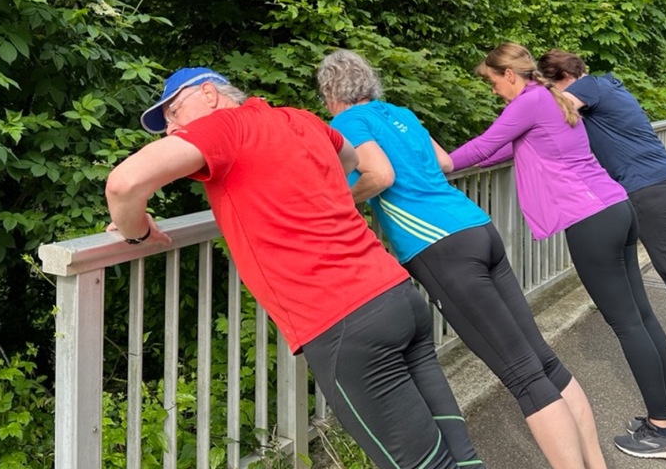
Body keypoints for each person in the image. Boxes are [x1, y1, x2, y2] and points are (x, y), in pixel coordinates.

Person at [104, 67, 485, 469]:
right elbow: (349, 157)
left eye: (173, 113)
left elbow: (124, 184)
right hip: (397, 297)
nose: (170, 129)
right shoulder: (298, 119)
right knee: (460, 454)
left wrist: (137, 232)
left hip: (343, 322)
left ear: (209, 95)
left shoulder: (223, 128)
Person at [316, 49, 606, 469]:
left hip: (439, 247)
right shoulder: (401, 113)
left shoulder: (345, 123)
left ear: (331, 93)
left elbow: (380, 175)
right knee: (541, 360)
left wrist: (336, 201)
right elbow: (444, 161)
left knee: (523, 376)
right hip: (476, 227)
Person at [446, 44, 666, 461]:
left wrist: (436, 165)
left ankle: (665, 431)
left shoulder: (528, 101)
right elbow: (514, 148)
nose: (492, 92)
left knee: (627, 324)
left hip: (589, 219)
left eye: (491, 82)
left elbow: (484, 147)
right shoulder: (551, 99)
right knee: (642, 315)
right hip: (616, 207)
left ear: (509, 74)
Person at [538, 49, 666, 394]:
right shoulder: (611, 87)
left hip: (649, 192)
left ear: (562, 79)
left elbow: (552, 113)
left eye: (550, 86)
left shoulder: (588, 88)